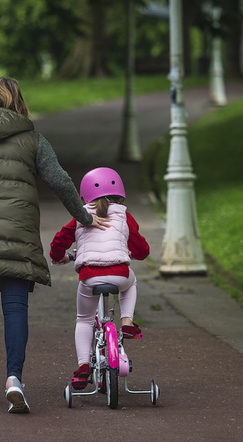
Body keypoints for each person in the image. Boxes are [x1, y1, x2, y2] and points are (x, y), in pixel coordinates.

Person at [0, 77, 108, 413]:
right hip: (20, 234)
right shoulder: (34, 139)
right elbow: (59, 179)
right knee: (16, 308)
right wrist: (85, 218)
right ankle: (15, 379)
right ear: (19, 102)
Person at [48, 167, 150, 390]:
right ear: (120, 194)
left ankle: (83, 366)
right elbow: (142, 250)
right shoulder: (125, 215)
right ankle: (126, 321)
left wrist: (60, 258)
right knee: (131, 282)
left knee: (83, 319)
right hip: (120, 274)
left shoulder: (79, 215)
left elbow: (58, 242)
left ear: (84, 195)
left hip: (89, 277)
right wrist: (130, 251)